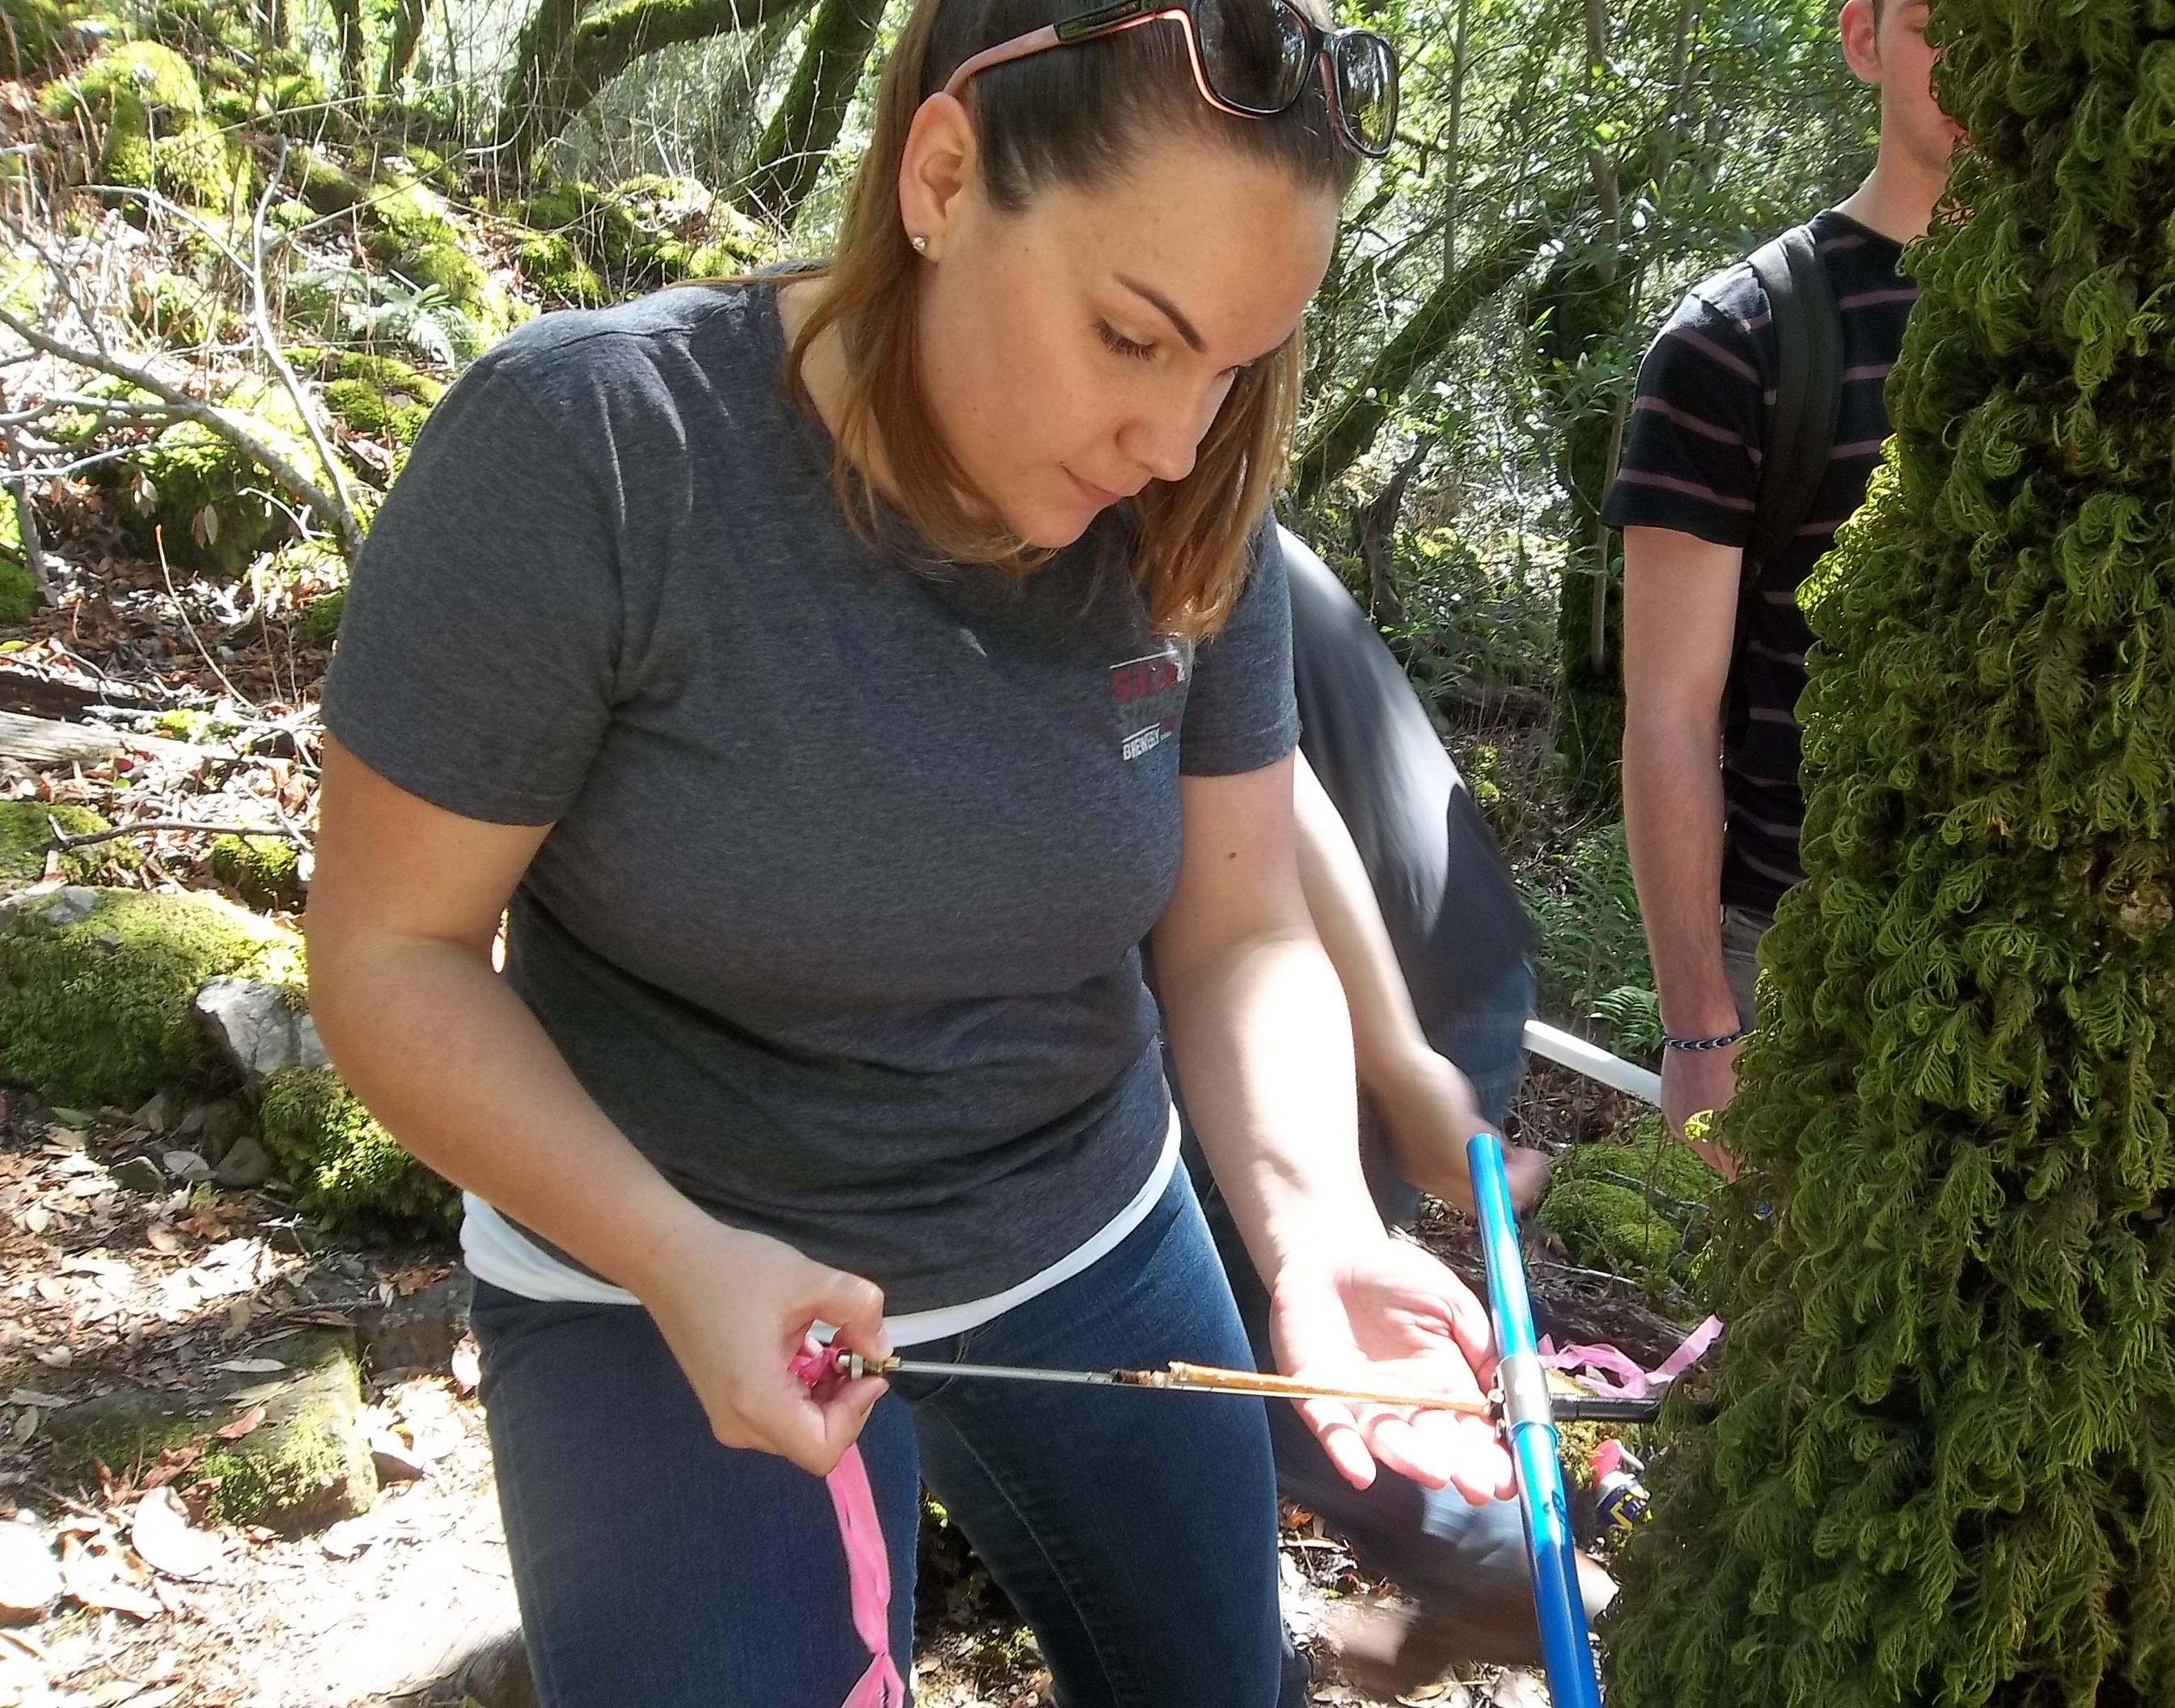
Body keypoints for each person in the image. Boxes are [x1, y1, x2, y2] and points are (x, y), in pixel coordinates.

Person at [303, 3, 1518, 1705]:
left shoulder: (1190, 504)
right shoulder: (595, 454)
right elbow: (389, 954)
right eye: (1129, 336)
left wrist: (1313, 1226)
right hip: (655, 1264)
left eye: (1232, 365)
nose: (1173, 443)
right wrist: (671, 1252)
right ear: (943, 172)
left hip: (1084, 1229)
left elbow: (1236, 926)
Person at [1178, 528, 1614, 1696]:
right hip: (1454, 953)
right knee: (1275, 1316)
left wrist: (1396, 1054)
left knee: (1233, 1340)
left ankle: (1503, 1566)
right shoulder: (1213, 515)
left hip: (1367, 992)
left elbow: (1276, 811)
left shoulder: (1143, 521)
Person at [1607, 0, 1961, 1152]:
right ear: (1865, 40)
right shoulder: (1738, 340)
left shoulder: (2141, 329)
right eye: (1942, 20)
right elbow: (1670, 707)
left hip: (2070, 957)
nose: (1988, 57)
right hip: (1803, 963)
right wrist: (1702, 1027)